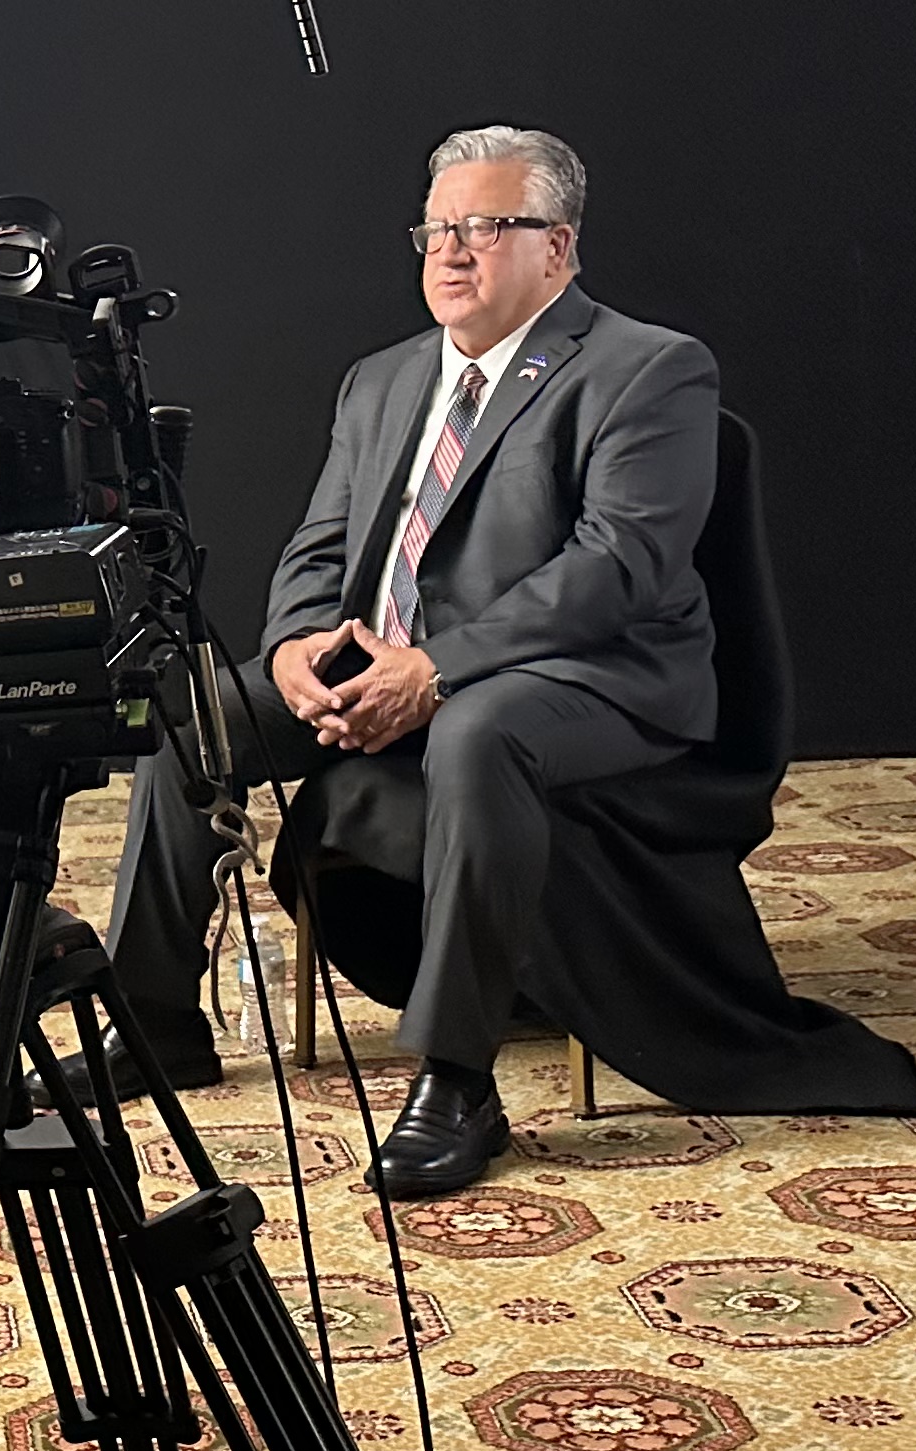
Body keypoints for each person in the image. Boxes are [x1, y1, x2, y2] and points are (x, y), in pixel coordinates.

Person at [96, 125, 716, 1200]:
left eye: (486, 226)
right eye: (436, 229)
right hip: (383, 659)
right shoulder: (382, 379)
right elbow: (323, 544)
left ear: (559, 246)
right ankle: (156, 1024)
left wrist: (435, 670)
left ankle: (457, 1081)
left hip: (588, 673)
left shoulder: (646, 368)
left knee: (476, 730)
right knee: (192, 715)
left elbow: (617, 569)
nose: (452, 251)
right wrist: (297, 646)